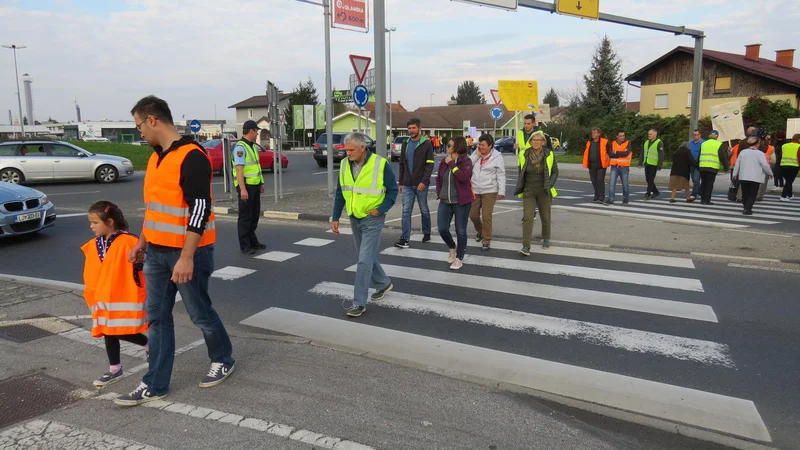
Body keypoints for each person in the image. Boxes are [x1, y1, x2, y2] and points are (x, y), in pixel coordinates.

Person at [116, 96, 235, 407]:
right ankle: (155, 384)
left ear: (153, 120)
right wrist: (142, 240)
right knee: (156, 317)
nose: (139, 132)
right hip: (155, 252)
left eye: (139, 125)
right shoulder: (156, 158)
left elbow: (200, 209)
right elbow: (155, 208)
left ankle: (223, 358)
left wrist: (185, 256)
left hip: (187, 253)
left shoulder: (192, 157)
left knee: (200, 314)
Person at [81, 200, 148, 388]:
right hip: (102, 298)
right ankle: (115, 369)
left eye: (95, 222)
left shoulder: (129, 241)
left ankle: (147, 346)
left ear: (109, 222)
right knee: (108, 332)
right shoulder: (93, 244)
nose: (91, 226)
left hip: (123, 296)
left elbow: (142, 265)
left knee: (120, 330)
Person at [331, 132, 398, 317]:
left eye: (352, 150)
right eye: (346, 150)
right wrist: (335, 217)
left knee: (363, 260)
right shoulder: (345, 164)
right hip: (354, 216)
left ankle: (358, 303)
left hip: (373, 218)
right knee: (365, 257)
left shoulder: (380, 163)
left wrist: (381, 209)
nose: (348, 153)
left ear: (363, 148)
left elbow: (392, 191)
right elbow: (340, 192)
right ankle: (384, 283)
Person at [515, 131, 558, 255]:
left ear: (543, 142)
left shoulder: (549, 154)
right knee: (528, 217)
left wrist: (550, 184)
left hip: (544, 189)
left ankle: (546, 237)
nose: (536, 142)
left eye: (539, 140)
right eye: (534, 140)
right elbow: (520, 171)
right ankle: (526, 246)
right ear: (530, 142)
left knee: (545, 216)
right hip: (529, 190)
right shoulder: (524, 154)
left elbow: (555, 171)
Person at [395, 118, 434, 249]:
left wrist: (424, 181)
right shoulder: (405, 143)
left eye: (413, 128)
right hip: (407, 184)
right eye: (409, 128)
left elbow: (430, 166)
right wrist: (401, 182)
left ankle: (427, 232)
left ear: (419, 128)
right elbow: (402, 164)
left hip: (421, 184)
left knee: (423, 209)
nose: (411, 130)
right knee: (406, 211)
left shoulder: (426, 144)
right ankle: (404, 238)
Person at [437, 137, 474, 270]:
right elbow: (439, 178)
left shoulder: (466, 161)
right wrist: (439, 192)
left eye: (450, 145)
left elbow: (464, 177)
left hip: (461, 202)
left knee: (461, 230)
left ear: (457, 147)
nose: (447, 147)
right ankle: (452, 247)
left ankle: (459, 257)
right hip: (445, 201)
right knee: (442, 228)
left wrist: (452, 164)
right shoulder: (444, 161)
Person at [233, 120, 266, 255]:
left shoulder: (251, 146)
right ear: (251, 131)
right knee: (245, 217)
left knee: (254, 215)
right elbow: (239, 170)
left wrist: (261, 183)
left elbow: (256, 166)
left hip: (255, 185)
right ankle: (245, 245)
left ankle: (253, 241)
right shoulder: (240, 147)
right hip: (246, 186)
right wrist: (242, 189)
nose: (257, 133)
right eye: (256, 131)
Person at [469, 134, 505, 251]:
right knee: (473, 215)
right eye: (480, 144)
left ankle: (486, 239)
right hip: (475, 189)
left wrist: (502, 190)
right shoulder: (476, 153)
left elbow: (501, 174)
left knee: (486, 216)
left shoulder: (497, 156)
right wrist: (476, 156)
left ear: (490, 146)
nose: (481, 147)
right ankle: (481, 231)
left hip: (490, 189)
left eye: (484, 145)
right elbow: (467, 165)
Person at [733, 135, 773, 215]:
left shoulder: (743, 152)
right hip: (755, 177)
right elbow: (765, 165)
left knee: (745, 193)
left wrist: (735, 173)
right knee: (752, 194)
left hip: (743, 176)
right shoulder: (760, 154)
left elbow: (737, 163)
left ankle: (745, 207)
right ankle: (748, 209)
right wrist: (770, 173)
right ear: (757, 143)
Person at [698, 130, 730, 205]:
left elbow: (699, 155)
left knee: (703, 183)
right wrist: (726, 168)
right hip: (712, 167)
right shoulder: (719, 144)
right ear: (717, 136)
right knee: (709, 184)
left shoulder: (703, 143)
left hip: (702, 166)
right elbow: (723, 157)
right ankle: (707, 200)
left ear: (709, 136)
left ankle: (702, 199)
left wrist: (698, 165)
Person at [583, 128, 609, 203]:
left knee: (600, 180)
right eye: (592, 133)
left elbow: (609, 150)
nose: (593, 134)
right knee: (594, 181)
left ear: (599, 134)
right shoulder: (590, 143)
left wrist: (608, 156)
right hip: (592, 165)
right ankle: (596, 195)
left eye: (594, 133)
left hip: (601, 165)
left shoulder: (604, 142)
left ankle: (601, 197)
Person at [605, 130, 631, 205]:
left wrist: (616, 152)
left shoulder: (628, 143)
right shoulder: (612, 143)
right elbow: (610, 154)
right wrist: (620, 153)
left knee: (625, 185)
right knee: (611, 184)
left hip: (624, 167)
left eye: (623, 135)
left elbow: (626, 153)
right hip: (614, 166)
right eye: (620, 136)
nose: (622, 137)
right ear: (617, 136)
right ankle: (611, 199)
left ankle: (626, 199)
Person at [638, 129, 664, 200]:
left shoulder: (659, 142)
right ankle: (656, 192)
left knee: (650, 179)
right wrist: (640, 162)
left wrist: (659, 165)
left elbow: (661, 155)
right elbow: (642, 153)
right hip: (647, 163)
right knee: (648, 179)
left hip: (654, 164)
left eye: (650, 134)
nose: (649, 135)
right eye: (648, 134)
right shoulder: (646, 142)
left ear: (655, 135)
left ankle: (648, 193)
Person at [780, 133, 800, 201]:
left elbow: (781, 155)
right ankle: (783, 196)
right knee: (789, 181)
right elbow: (799, 157)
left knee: (788, 181)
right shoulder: (799, 146)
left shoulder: (784, 145)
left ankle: (790, 195)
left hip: (783, 165)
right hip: (794, 166)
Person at [688, 129, 704, 199]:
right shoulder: (691, 143)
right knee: (693, 179)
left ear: (700, 135)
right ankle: (700, 191)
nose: (694, 136)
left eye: (695, 135)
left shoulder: (703, 143)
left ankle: (694, 194)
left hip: (699, 163)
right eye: (693, 135)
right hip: (691, 163)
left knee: (696, 178)